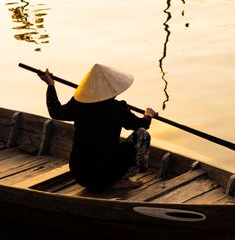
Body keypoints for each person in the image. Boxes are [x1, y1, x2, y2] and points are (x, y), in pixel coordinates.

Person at [37, 63, 157, 191]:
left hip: (81, 174)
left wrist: (50, 85)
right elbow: (141, 125)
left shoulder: (78, 104)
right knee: (143, 134)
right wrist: (148, 115)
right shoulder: (117, 108)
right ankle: (122, 179)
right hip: (106, 174)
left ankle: (115, 178)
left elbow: (55, 112)